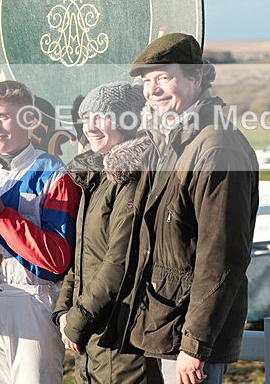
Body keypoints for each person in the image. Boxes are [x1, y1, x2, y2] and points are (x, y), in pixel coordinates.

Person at [109, 33, 260, 384]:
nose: (153, 90)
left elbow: (221, 255)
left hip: (186, 338)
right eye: (147, 81)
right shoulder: (170, 141)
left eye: (164, 77)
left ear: (195, 77)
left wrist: (195, 345)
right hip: (161, 324)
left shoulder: (217, 148)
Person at [0, 80, 82, 384]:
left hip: (32, 303)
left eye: (3, 117)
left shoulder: (54, 174)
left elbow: (57, 259)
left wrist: (2, 216)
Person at [53, 81, 162, 383]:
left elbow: (119, 262)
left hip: (119, 338)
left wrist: (77, 319)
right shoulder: (95, 180)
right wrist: (63, 311)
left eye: (101, 117)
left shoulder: (130, 180)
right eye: (86, 117)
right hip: (92, 337)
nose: (90, 127)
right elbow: (82, 259)